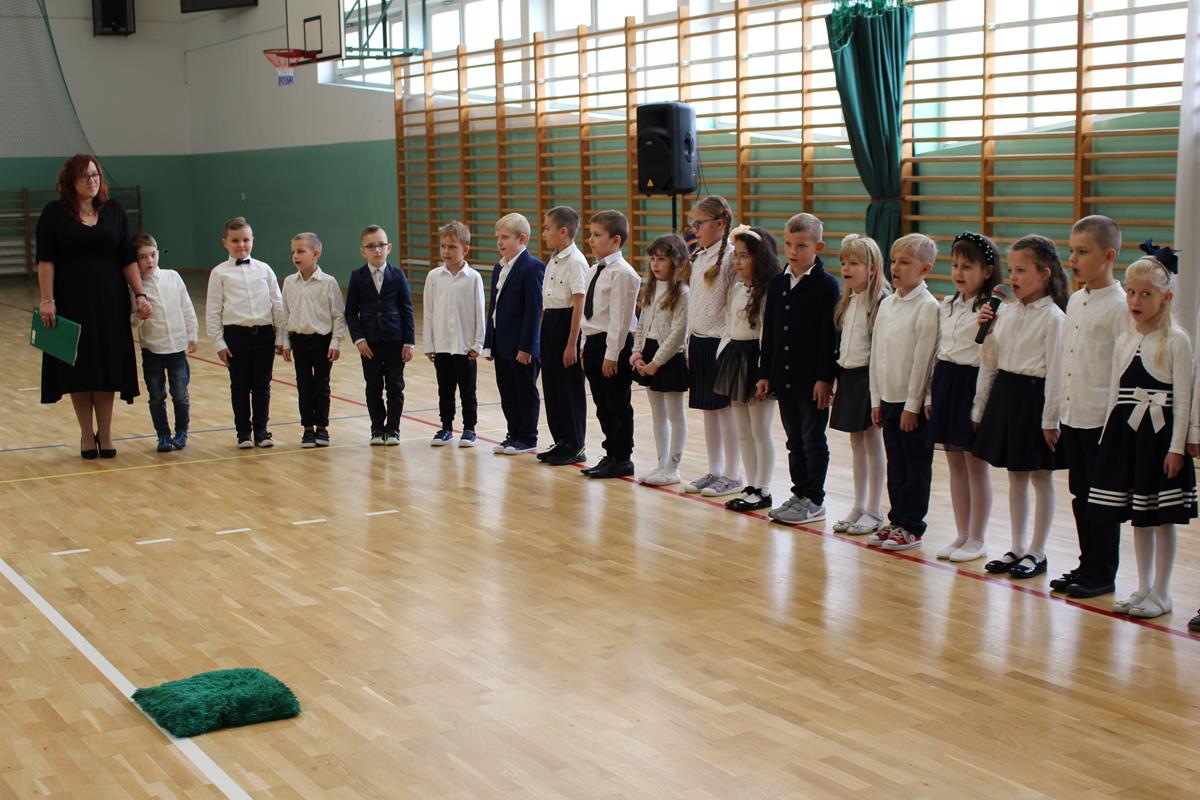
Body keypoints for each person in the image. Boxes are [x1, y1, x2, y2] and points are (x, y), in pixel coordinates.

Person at [1089, 246, 1195, 619]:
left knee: (1161, 517)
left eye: (1146, 294)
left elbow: (1183, 400)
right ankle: (1143, 586)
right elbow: (1115, 394)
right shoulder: (1124, 340)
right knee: (1139, 516)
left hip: (1158, 439)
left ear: (1166, 298)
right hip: (1128, 438)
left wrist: (1176, 448)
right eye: (1131, 292)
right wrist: (1107, 441)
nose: (1135, 300)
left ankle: (1162, 592)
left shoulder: (1177, 340)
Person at [36, 154, 153, 459]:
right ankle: (87, 434)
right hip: (71, 301)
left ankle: (107, 432)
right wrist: (47, 300)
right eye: (85, 176)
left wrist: (140, 294)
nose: (92, 181)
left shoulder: (114, 211)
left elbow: (126, 258)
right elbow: (46, 261)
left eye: (95, 174)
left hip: (110, 302)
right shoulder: (53, 214)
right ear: (70, 181)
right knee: (78, 369)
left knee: (106, 366)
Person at [973, 235, 1070, 579]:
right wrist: (988, 330)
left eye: (1022, 270)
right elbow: (991, 360)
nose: (1013, 277)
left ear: (1044, 274)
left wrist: (1050, 418)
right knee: (1015, 476)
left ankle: (1037, 550)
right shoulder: (1007, 312)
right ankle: (1016, 546)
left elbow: (1057, 371)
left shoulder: (1054, 318)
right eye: (1011, 270)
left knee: (1041, 477)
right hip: (1007, 393)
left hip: (1035, 398)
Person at [1046, 215, 1129, 597]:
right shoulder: (1076, 300)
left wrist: (1114, 422)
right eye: (1071, 251)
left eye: (1083, 252)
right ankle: (1086, 564)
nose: (1073, 259)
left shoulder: (1121, 306)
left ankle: (1102, 572)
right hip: (1074, 415)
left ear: (1109, 256)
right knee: (1080, 494)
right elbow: (1065, 359)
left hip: (1102, 419)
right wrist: (1054, 414)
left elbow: (1121, 369)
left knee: (1102, 499)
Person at [758, 212, 840, 525]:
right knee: (794, 440)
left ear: (818, 247)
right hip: (783, 376)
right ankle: (799, 492)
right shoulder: (777, 283)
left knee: (812, 440)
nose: (793, 251)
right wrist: (765, 373)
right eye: (789, 244)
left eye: (802, 245)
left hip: (811, 380)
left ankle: (814, 500)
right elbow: (770, 332)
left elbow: (828, 337)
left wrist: (824, 378)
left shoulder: (826, 286)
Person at [925, 232, 999, 562]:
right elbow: (938, 351)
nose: (958, 272)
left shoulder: (992, 310)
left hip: (973, 384)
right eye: (955, 265)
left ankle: (978, 537)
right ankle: (962, 533)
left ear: (987, 271)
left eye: (967, 266)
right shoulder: (947, 304)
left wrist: (979, 406)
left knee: (975, 466)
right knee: (955, 463)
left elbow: (989, 358)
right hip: (947, 380)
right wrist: (930, 394)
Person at [867, 233, 940, 551]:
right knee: (895, 465)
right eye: (894, 261)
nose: (895, 268)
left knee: (915, 467)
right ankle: (896, 520)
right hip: (888, 399)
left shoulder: (928, 307)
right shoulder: (887, 304)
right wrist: (875, 399)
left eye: (905, 262)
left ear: (924, 269)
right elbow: (877, 355)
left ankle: (912, 525)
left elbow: (924, 361)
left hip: (912, 405)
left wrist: (913, 405)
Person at [713, 225, 782, 512]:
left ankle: (763, 488)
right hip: (735, 357)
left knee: (760, 429)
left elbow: (768, 334)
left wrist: (765, 370)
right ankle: (751, 485)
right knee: (742, 430)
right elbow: (729, 326)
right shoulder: (737, 289)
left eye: (744, 256)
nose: (738, 262)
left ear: (760, 257)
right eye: (736, 255)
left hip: (757, 361)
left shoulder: (768, 293)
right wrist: (722, 356)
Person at [828, 234, 891, 536]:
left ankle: (875, 509)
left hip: (870, 378)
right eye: (843, 263)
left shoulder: (881, 303)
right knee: (856, 444)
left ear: (872, 267)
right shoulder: (847, 302)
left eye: (854, 263)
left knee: (872, 443)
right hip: (849, 376)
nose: (846, 269)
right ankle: (859, 504)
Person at [204, 216, 285, 448]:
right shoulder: (219, 273)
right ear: (225, 243)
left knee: (262, 385)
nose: (241, 245)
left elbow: (277, 304)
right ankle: (243, 433)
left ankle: (261, 430)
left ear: (252, 240)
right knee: (239, 386)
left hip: (264, 335)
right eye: (235, 240)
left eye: (246, 240)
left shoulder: (264, 269)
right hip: (235, 337)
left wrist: (281, 336)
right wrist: (219, 342)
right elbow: (213, 310)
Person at [683, 196, 742, 497]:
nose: (695, 229)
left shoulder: (731, 258)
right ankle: (715, 469)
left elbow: (733, 307)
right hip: (699, 341)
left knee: (725, 411)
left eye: (699, 223)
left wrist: (726, 344)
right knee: (708, 409)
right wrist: (688, 342)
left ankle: (733, 474)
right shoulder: (699, 257)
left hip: (721, 343)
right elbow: (693, 305)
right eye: (693, 224)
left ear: (720, 224)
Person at [579, 210, 640, 479]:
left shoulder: (623, 273)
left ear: (615, 240)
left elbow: (620, 319)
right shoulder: (595, 269)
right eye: (590, 234)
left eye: (597, 235)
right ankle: (611, 452)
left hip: (614, 344)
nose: (591, 240)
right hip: (594, 342)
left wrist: (612, 354)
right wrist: (584, 344)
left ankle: (622, 457)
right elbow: (589, 315)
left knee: (617, 403)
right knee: (602, 403)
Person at [344, 224, 415, 445]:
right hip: (369, 343)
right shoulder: (357, 277)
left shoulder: (398, 275)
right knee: (373, 386)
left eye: (381, 245)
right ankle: (377, 428)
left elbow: (407, 309)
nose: (377, 250)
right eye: (371, 246)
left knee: (395, 386)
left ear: (389, 248)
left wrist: (409, 342)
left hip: (395, 340)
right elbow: (350, 312)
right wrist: (359, 339)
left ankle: (393, 429)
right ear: (363, 251)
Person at [483, 213, 545, 455]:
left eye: (505, 237)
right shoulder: (499, 267)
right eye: (497, 237)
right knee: (507, 392)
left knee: (524, 392)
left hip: (522, 347)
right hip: (502, 344)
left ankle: (528, 436)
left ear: (522, 239)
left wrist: (527, 347)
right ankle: (514, 434)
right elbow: (494, 308)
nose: (500, 242)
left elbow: (534, 311)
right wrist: (489, 343)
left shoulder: (532, 267)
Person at [631, 234, 690, 486]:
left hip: (669, 357)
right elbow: (642, 323)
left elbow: (678, 333)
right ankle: (661, 464)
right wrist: (636, 352)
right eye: (653, 259)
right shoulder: (652, 288)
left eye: (662, 259)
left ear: (675, 262)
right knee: (658, 415)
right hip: (648, 352)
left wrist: (656, 362)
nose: (655, 264)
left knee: (675, 414)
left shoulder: (683, 293)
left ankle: (673, 468)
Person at [130, 233, 197, 452]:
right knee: (156, 397)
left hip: (176, 349)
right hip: (152, 351)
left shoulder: (173, 277)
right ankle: (163, 435)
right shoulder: (135, 288)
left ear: (158, 254)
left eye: (152, 255)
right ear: (135, 260)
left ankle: (182, 431)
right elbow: (132, 323)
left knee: (180, 394)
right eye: (142, 257)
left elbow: (186, 306)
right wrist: (140, 316)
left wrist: (192, 334)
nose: (149, 260)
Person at [422, 221, 485, 447]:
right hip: (442, 346)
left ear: (465, 249)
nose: (446, 251)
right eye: (443, 246)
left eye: (452, 247)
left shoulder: (473, 278)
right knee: (445, 391)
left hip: (465, 348)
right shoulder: (433, 277)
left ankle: (469, 429)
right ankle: (446, 427)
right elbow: (428, 312)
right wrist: (429, 344)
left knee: (468, 392)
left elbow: (479, 312)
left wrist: (478, 344)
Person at [281, 232, 345, 448]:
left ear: (315, 254)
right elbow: (285, 314)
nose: (295, 256)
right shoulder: (289, 282)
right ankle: (307, 428)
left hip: (322, 342)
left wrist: (336, 343)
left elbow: (338, 315)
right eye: (293, 252)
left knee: (322, 385)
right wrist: (286, 342)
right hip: (299, 341)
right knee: (304, 386)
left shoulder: (328, 282)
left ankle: (322, 428)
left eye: (300, 251)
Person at [538, 206, 590, 466]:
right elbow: (546, 302)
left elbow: (579, 304)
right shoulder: (553, 260)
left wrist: (572, 344)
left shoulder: (576, 262)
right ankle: (561, 441)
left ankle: (575, 444)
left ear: (563, 231)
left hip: (567, 325)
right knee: (552, 386)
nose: (543, 233)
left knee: (569, 389)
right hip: (550, 323)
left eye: (547, 228)